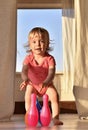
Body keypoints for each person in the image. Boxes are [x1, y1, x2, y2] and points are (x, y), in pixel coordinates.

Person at [20, 27, 63, 125]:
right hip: (33, 84)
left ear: (47, 44)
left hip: (46, 84)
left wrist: (46, 82)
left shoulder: (50, 59)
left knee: (54, 96)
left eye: (42, 41)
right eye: (34, 42)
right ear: (30, 45)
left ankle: (55, 117)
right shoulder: (28, 58)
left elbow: (51, 73)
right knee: (28, 95)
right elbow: (24, 71)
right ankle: (29, 114)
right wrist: (26, 79)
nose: (38, 44)